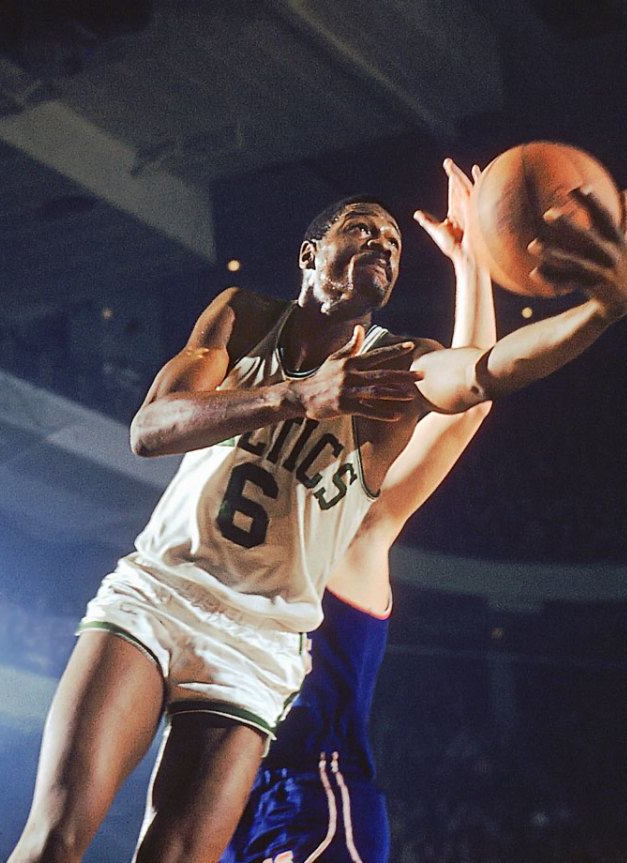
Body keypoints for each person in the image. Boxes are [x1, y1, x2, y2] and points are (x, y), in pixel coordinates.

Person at [6, 158, 627, 863]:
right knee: (57, 837)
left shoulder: (397, 368)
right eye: (364, 231)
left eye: (396, 246)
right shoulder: (243, 316)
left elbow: (484, 372)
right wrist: (293, 396)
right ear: (311, 254)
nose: (383, 247)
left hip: (259, 643)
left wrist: (597, 311)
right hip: (163, 592)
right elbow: (148, 429)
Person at [221, 160, 499, 863]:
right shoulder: (233, 523)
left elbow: (468, 403)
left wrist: (472, 267)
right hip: (214, 784)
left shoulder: (360, 525)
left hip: (308, 790)